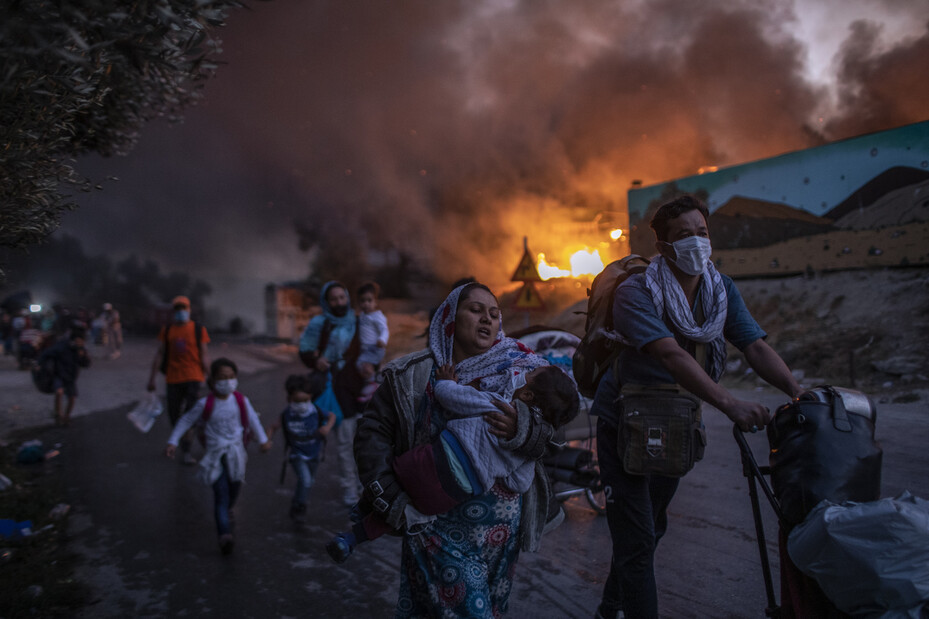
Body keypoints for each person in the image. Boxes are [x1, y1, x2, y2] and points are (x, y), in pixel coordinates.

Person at [591, 195, 802, 619]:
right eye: (683, 235)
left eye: (701, 233)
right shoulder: (635, 291)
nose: (696, 243)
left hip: (675, 427)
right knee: (637, 541)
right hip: (625, 426)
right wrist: (730, 404)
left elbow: (754, 345)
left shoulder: (719, 289)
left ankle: (609, 608)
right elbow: (671, 356)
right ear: (664, 247)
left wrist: (798, 394)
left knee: (649, 530)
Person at [353, 282, 560, 617]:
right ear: (449, 316)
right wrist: (392, 497)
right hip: (436, 528)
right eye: (476, 310)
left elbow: (554, 427)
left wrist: (525, 430)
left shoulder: (523, 370)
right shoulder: (415, 374)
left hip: (500, 537)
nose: (487, 320)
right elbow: (372, 433)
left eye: (494, 314)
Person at [327, 362, 578, 563]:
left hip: (429, 461)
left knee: (394, 476)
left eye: (531, 372)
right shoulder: (527, 452)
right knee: (401, 514)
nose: (525, 371)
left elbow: (449, 396)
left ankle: (361, 509)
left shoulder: (497, 406)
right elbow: (520, 483)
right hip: (452, 494)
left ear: (526, 393)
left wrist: (448, 380)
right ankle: (349, 540)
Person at [164, 358, 272, 554]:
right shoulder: (205, 404)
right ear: (212, 381)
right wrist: (172, 441)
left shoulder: (241, 401)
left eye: (231, 377)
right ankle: (224, 534)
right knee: (221, 493)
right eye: (222, 378)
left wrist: (263, 440)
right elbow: (186, 420)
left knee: (235, 487)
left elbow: (253, 420)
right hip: (215, 456)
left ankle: (228, 510)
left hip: (237, 454)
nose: (227, 381)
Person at [298, 281, 364, 506]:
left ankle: (365, 487)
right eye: (333, 299)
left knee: (363, 442)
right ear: (326, 302)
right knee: (345, 443)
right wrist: (317, 360)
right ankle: (350, 491)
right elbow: (305, 349)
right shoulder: (320, 323)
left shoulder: (358, 321)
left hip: (360, 389)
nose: (339, 303)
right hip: (335, 388)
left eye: (342, 297)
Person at [147, 295, 210, 465]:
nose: (181, 311)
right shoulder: (167, 330)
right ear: (173, 311)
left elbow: (204, 355)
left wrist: (211, 377)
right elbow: (160, 354)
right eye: (177, 308)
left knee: (189, 416)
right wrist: (152, 379)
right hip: (173, 378)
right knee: (174, 416)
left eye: (184, 308)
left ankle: (187, 451)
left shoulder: (198, 329)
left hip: (193, 377)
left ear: (189, 309)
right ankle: (180, 443)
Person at [265, 373, 336, 523]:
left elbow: (332, 416)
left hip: (314, 455)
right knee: (306, 480)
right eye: (298, 401)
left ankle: (297, 502)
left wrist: (327, 428)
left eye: (306, 400)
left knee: (308, 481)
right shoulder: (287, 414)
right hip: (297, 455)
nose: (302, 404)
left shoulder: (315, 411)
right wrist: (267, 441)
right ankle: (300, 507)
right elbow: (273, 427)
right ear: (289, 399)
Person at [39, 327, 91, 426]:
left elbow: (86, 364)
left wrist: (82, 356)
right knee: (59, 392)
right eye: (77, 341)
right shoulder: (62, 347)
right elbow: (46, 354)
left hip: (71, 377)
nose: (79, 343)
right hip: (59, 374)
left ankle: (67, 417)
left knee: (72, 398)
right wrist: (39, 364)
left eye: (81, 342)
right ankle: (58, 415)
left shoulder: (81, 350)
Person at [354, 281, 389, 403]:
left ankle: (374, 387)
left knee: (363, 366)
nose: (366, 304)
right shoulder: (363, 315)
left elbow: (384, 329)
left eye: (369, 300)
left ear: (376, 302)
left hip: (375, 347)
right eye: (362, 301)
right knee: (362, 366)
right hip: (367, 348)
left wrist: (382, 339)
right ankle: (370, 390)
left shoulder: (377, 316)